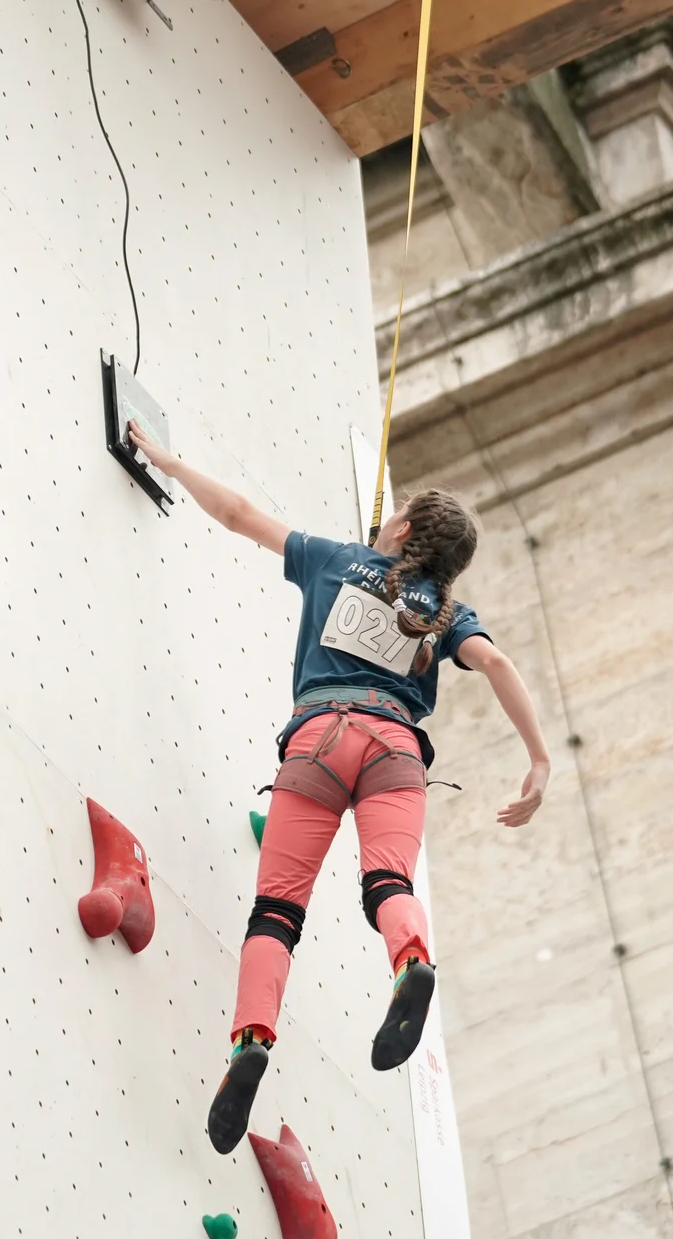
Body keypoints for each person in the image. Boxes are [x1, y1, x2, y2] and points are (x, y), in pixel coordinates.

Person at [124, 423, 550, 1156]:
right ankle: (411, 961)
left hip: (318, 738)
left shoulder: (334, 560)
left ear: (405, 525)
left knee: (277, 908)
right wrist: (539, 759)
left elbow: (235, 512)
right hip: (395, 748)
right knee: (387, 878)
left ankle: (250, 1040)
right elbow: (500, 663)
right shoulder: (446, 614)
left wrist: (164, 458)